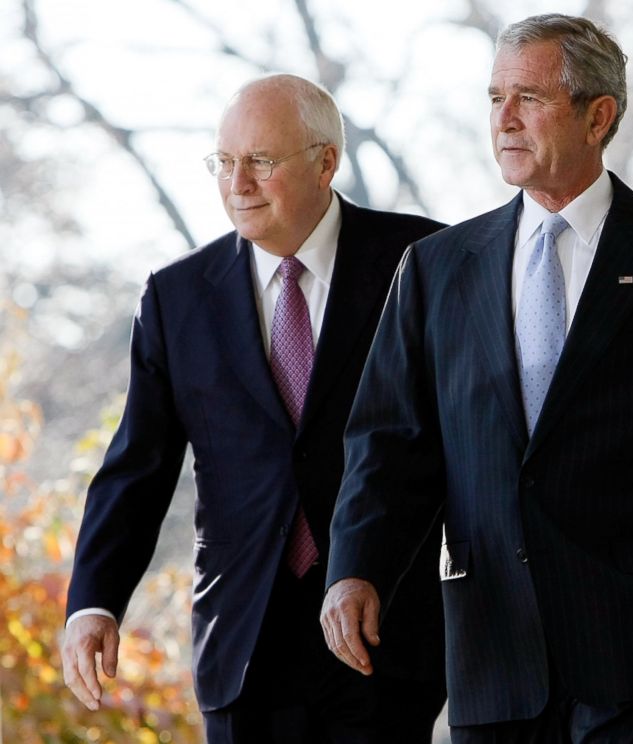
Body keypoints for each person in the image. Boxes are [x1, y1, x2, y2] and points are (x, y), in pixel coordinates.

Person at [320, 13, 633, 744]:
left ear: (599, 115)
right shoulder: (438, 269)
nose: (504, 119)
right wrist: (354, 570)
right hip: (490, 636)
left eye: (528, 98)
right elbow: (388, 444)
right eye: (494, 98)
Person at [61, 73, 446, 744]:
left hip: (384, 636)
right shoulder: (176, 298)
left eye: (261, 162)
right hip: (243, 650)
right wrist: (94, 600)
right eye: (225, 161)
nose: (237, 182)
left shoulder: (422, 264)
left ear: (326, 162)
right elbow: (138, 467)